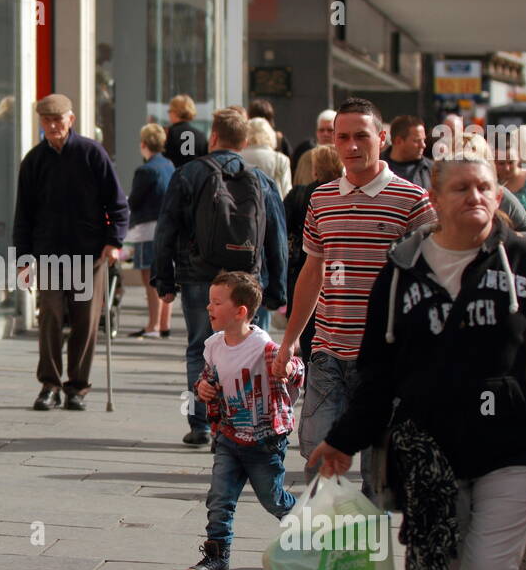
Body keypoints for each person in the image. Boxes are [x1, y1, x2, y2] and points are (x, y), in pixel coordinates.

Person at [308, 147, 526, 570]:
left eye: (485, 187)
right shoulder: (401, 270)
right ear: (434, 200)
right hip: (433, 456)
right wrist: (343, 438)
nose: (477, 197)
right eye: (461, 188)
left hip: (516, 449)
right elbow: (378, 371)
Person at [274, 97, 437, 498]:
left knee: (377, 472)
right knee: (315, 453)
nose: (350, 145)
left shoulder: (413, 200)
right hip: (328, 349)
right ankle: (332, 541)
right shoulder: (322, 199)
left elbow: (434, 273)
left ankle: (363, 555)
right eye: (342, 137)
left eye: (361, 136)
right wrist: (290, 339)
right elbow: (312, 272)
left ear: (381, 138)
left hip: (384, 356)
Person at [154, 106, 287, 447]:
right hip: (247, 281)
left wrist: (164, 280)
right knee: (251, 352)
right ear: (244, 141)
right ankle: (243, 425)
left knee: (200, 348)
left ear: (213, 136)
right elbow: (277, 239)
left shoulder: (187, 174)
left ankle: (202, 424)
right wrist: (277, 290)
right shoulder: (261, 180)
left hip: (200, 276)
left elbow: (166, 229)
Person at [13, 93, 128, 411]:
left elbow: (118, 203)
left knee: (85, 321)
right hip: (49, 255)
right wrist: (23, 257)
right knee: (49, 316)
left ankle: (77, 385)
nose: (52, 126)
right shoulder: (34, 161)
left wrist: (114, 240)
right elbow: (23, 214)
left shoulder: (92, 153)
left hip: (90, 255)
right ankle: (49, 384)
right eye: (46, 121)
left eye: (58, 120)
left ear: (71, 120)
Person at [186, 271, 304, 570]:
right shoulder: (213, 344)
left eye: (216, 302)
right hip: (228, 436)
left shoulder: (262, 347)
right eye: (209, 301)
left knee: (272, 498)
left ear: (240, 311)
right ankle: (217, 555)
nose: (208, 307)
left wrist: (289, 367)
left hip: (264, 441)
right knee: (219, 498)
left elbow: (294, 367)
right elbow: (209, 377)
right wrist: (203, 388)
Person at [283, 146, 344, 361]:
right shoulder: (342, 195)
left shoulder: (300, 194)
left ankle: (311, 376)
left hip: (302, 267)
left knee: (308, 331)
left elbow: (283, 228)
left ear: (315, 169)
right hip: (337, 273)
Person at [125, 122, 175, 339]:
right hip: (167, 227)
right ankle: (163, 324)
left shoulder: (145, 170)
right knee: (165, 276)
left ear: (143, 144)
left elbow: (134, 201)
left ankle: (153, 324)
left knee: (150, 280)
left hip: (147, 228)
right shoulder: (169, 165)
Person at [241, 117, 293, 198]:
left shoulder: (238, 157)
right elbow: (287, 193)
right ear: (270, 134)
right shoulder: (280, 159)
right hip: (273, 208)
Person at [495, 131, 526, 212]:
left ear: (518, 158)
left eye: (511, 162)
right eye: (501, 163)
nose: (507, 168)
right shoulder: (490, 183)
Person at [382, 115, 432, 191]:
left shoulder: (431, 169)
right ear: (398, 141)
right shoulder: (376, 167)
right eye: (416, 141)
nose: (423, 145)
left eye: (423, 140)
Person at [163, 94, 207, 169]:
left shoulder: (169, 133)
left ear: (175, 112)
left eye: (169, 111)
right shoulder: (201, 135)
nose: (169, 114)